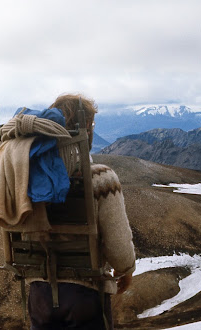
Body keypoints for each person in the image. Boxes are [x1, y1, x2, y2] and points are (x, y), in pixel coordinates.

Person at [27, 94, 136, 330]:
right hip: (85, 296)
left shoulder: (26, 178)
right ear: (86, 128)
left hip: (39, 296)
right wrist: (126, 270)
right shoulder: (102, 179)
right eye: (93, 125)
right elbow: (118, 248)